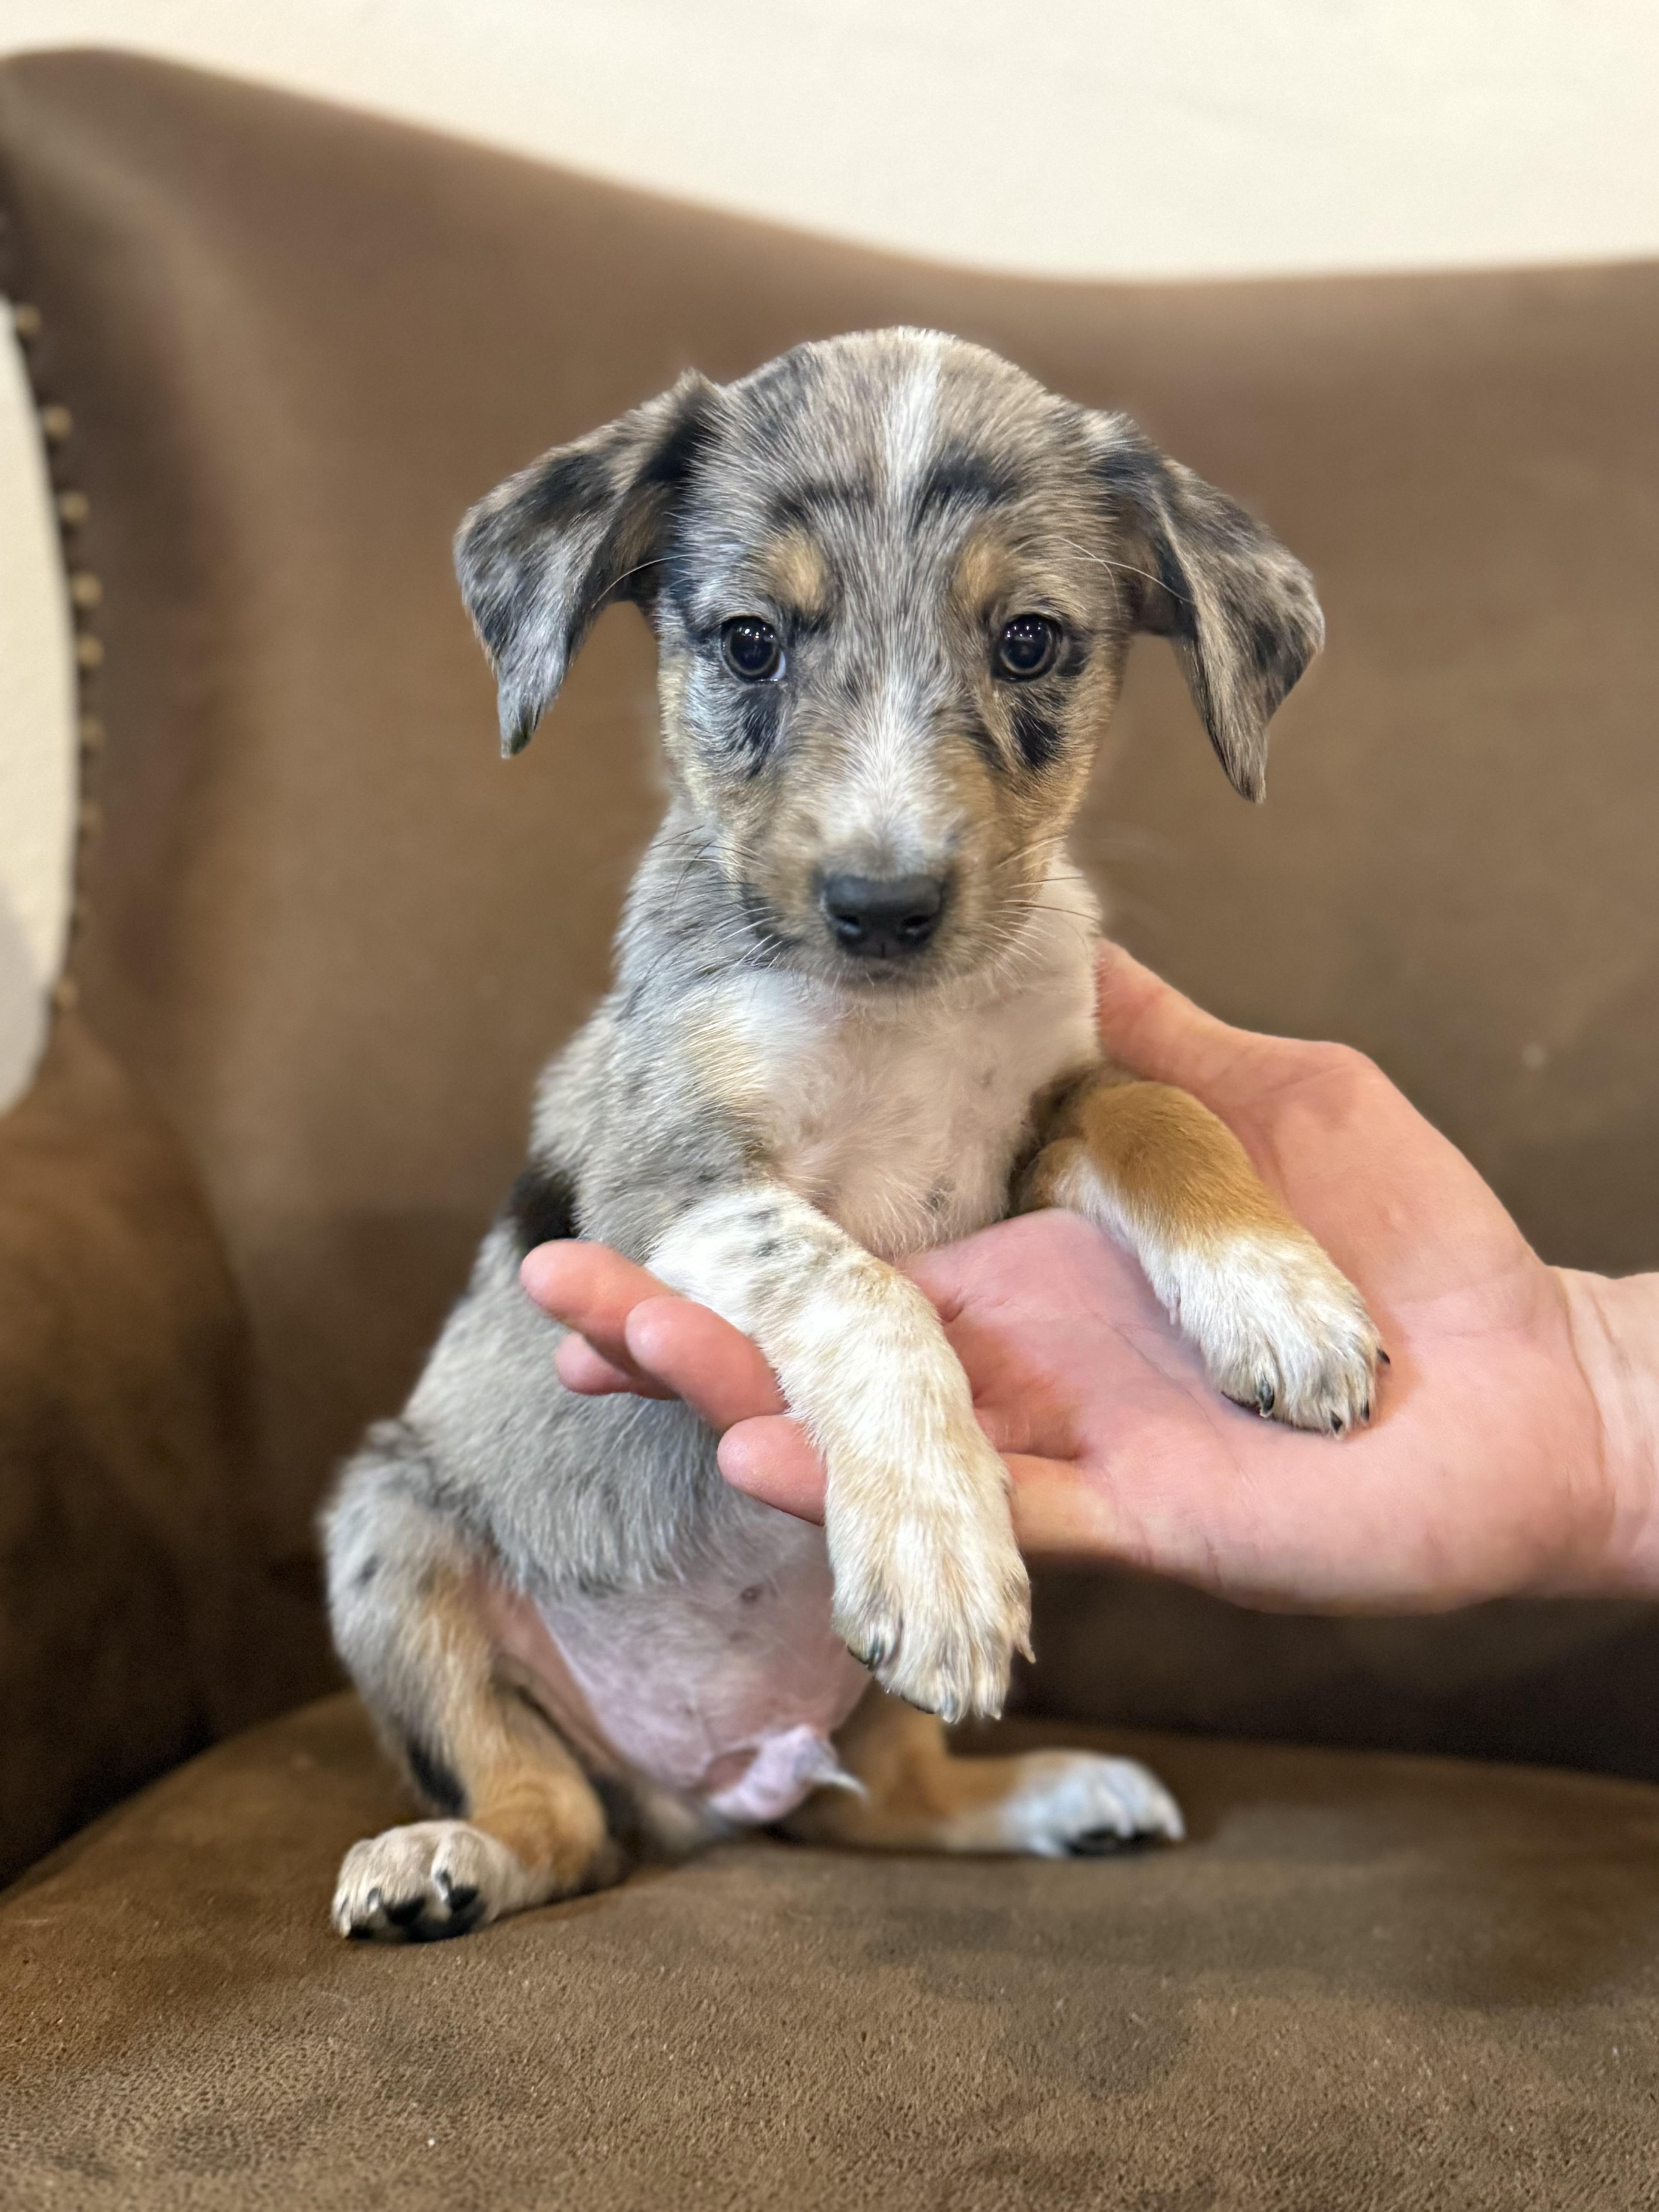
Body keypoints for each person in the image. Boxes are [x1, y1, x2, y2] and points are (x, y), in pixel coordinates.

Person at [524, 945, 1659, 1613]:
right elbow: (669, 1208)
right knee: (405, 1509)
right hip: (549, 1566)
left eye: (1023, 647)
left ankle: (914, 1798)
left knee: (1120, 1104)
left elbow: (1065, 1126)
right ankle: (524, 1813)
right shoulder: (713, 963)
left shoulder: (1035, 953)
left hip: (810, 1643)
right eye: (755, 648)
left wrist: (1218, 1230)